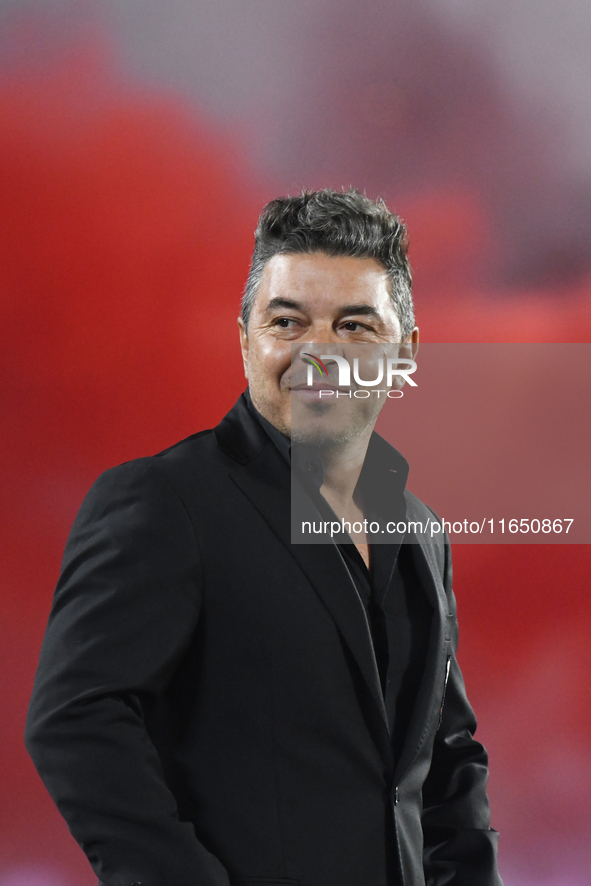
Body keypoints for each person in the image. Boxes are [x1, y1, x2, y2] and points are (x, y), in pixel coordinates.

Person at [25, 189, 503, 886]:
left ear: (405, 351)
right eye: (287, 321)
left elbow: (447, 753)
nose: (318, 352)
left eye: (355, 325)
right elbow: (75, 722)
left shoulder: (420, 527)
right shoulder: (164, 501)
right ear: (245, 336)